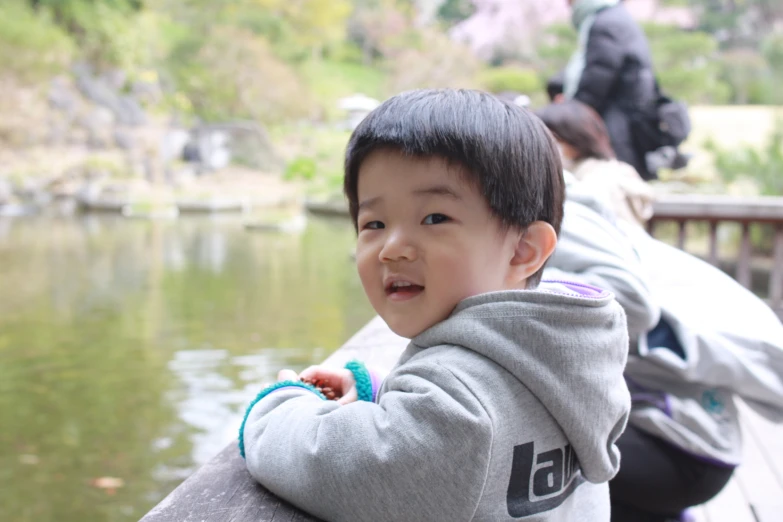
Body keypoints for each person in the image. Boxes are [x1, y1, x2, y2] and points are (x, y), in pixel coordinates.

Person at [239, 89, 631, 521]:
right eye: (374, 223)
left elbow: (341, 469)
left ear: (523, 250)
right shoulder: (556, 360)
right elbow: (477, 419)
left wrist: (281, 407)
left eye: (434, 218)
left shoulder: (462, 411)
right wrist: (379, 389)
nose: (392, 248)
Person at [560, 0, 658, 179]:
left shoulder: (606, 22)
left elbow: (599, 73)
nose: (567, 4)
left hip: (616, 125)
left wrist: (572, 115)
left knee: (614, 180)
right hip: (626, 119)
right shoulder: (615, 16)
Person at [536, 99, 654, 228]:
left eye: (551, 139)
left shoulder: (595, 183)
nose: (541, 147)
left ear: (575, 139)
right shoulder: (613, 170)